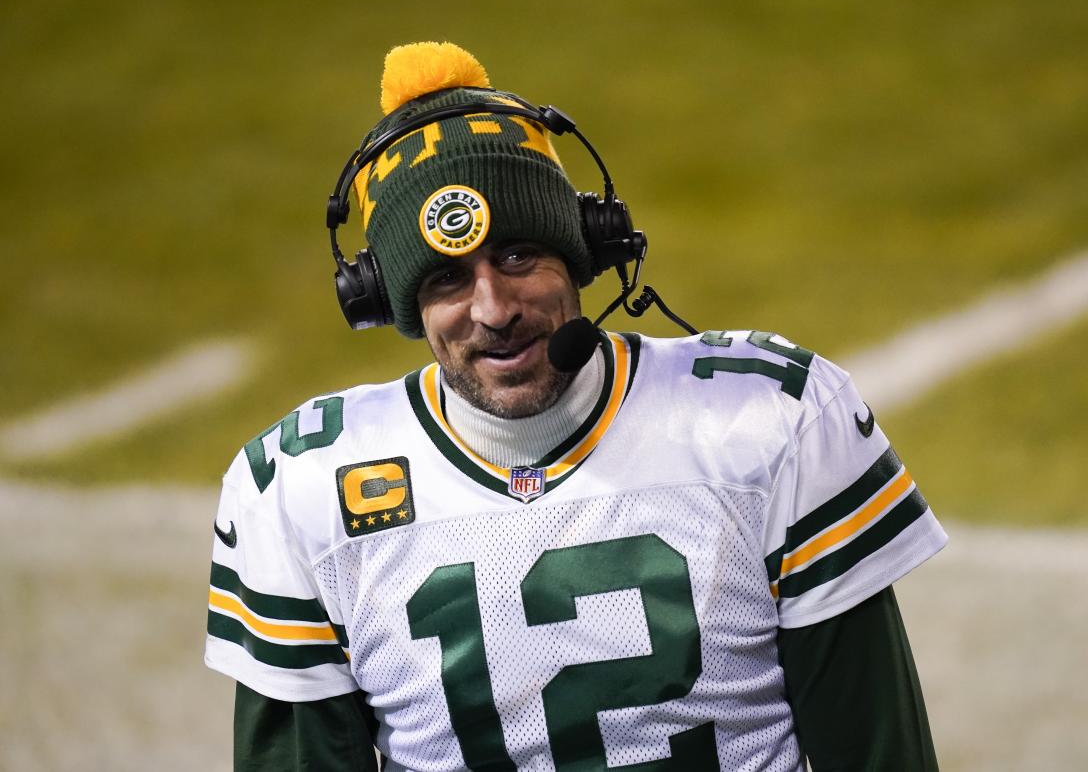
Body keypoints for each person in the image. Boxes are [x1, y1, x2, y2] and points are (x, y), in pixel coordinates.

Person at [205, 41, 948, 771]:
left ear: (588, 248)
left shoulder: (766, 421)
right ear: (392, 304)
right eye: (447, 281)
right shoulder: (296, 491)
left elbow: (878, 751)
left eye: (519, 257)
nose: (493, 309)